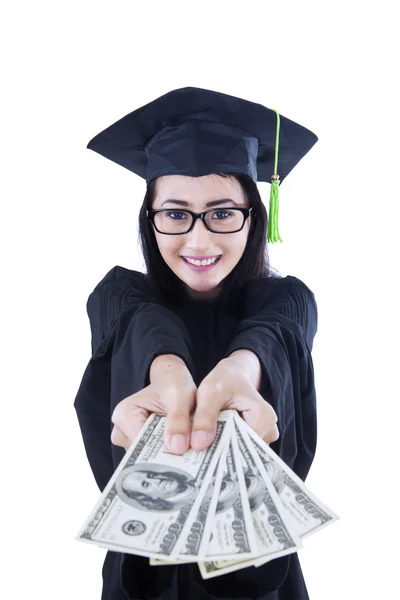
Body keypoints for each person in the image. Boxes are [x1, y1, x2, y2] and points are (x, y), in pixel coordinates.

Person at [74, 87, 319, 600]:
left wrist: (241, 369)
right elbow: (137, 320)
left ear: (254, 216)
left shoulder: (284, 300)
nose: (199, 241)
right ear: (151, 219)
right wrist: (166, 368)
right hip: (143, 574)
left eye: (223, 213)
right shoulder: (122, 295)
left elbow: (274, 334)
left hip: (258, 576)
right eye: (176, 213)